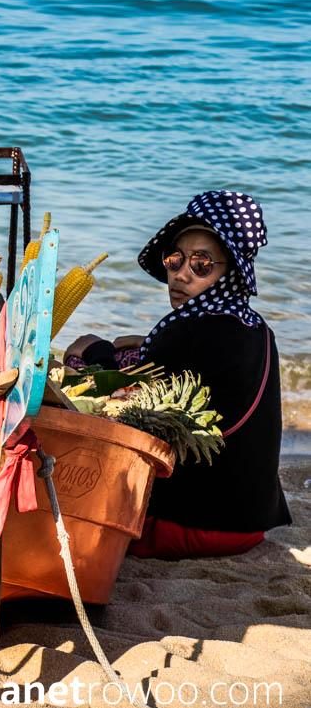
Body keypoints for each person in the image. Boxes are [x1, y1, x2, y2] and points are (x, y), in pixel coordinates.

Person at [65, 190, 291, 559]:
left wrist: (93, 349)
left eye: (202, 265)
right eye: (175, 259)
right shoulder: (256, 327)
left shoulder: (189, 329)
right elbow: (182, 367)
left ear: (229, 272)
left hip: (196, 524)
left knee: (80, 376)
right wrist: (134, 348)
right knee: (128, 352)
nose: (182, 274)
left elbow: (125, 388)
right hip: (251, 522)